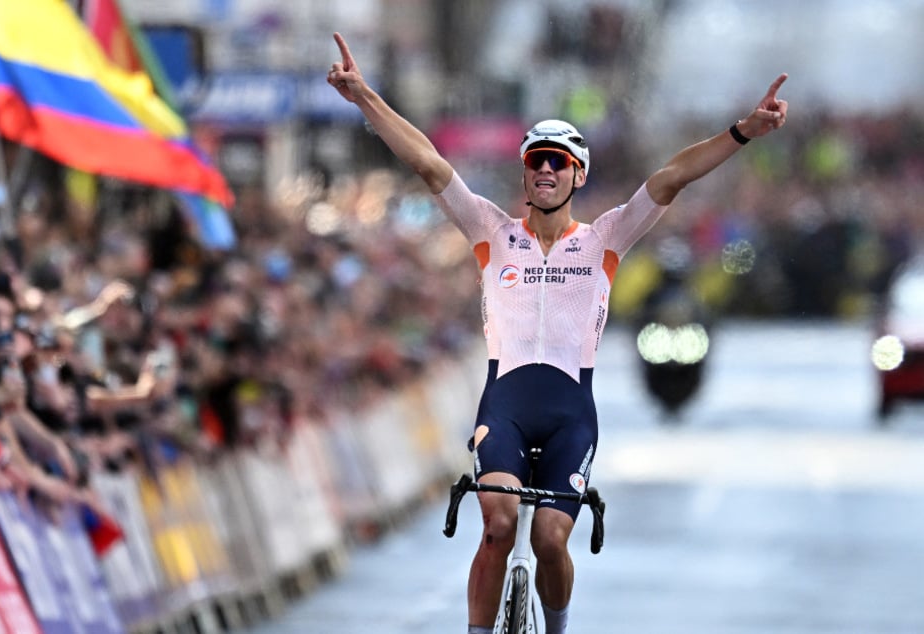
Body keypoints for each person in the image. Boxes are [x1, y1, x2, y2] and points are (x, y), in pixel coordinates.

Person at [327, 31, 788, 634]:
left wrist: (742, 133)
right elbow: (427, 163)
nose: (544, 169)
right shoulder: (491, 229)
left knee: (548, 538)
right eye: (535, 160)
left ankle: (560, 624)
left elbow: (672, 177)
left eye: (558, 162)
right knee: (496, 523)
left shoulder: (605, 240)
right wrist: (365, 98)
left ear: (577, 176)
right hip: (507, 403)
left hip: (571, 410)